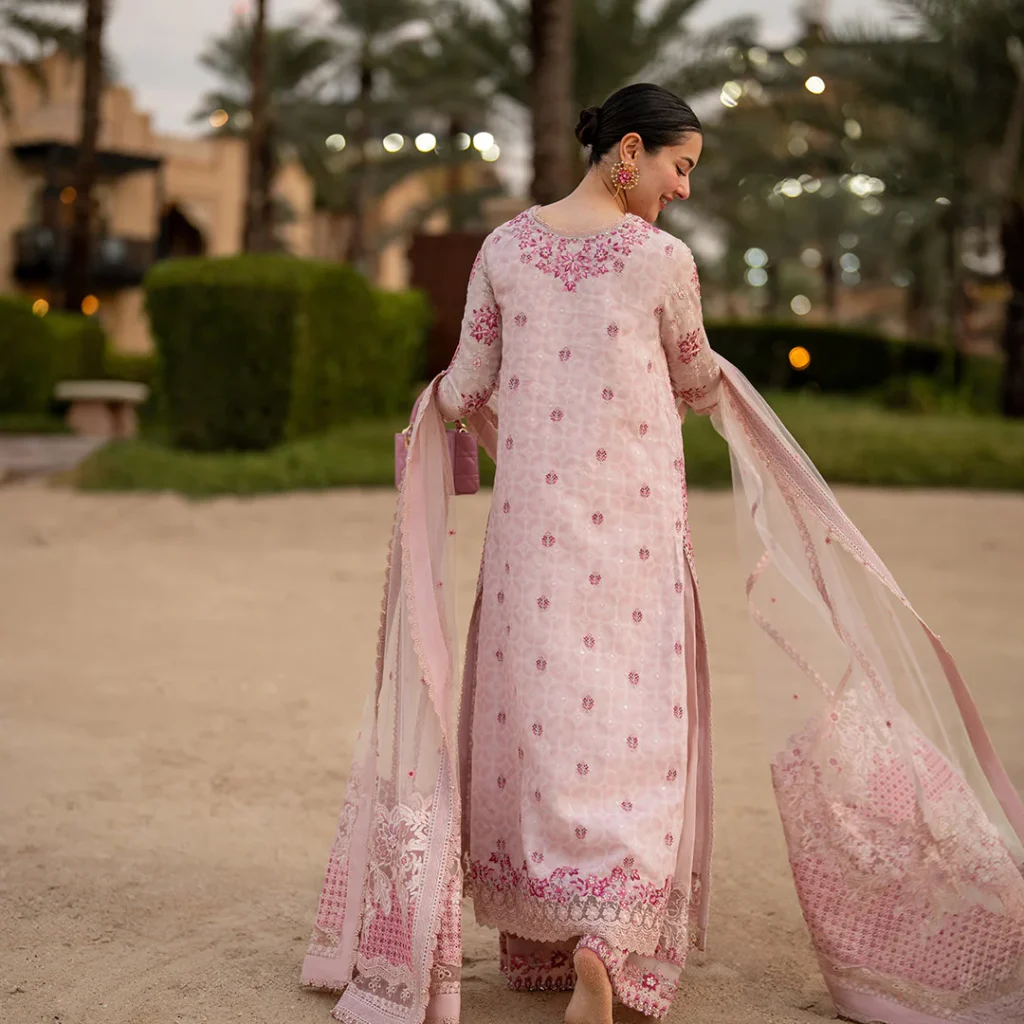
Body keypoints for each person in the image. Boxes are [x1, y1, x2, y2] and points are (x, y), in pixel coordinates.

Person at [301, 84, 1024, 1024]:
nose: (683, 191)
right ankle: (611, 942)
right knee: (635, 726)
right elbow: (690, 376)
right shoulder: (660, 263)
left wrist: (460, 425)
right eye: (681, 168)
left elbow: (468, 384)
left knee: (537, 715)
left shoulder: (504, 250)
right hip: (634, 539)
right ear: (629, 150)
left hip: (533, 544)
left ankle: (553, 933)